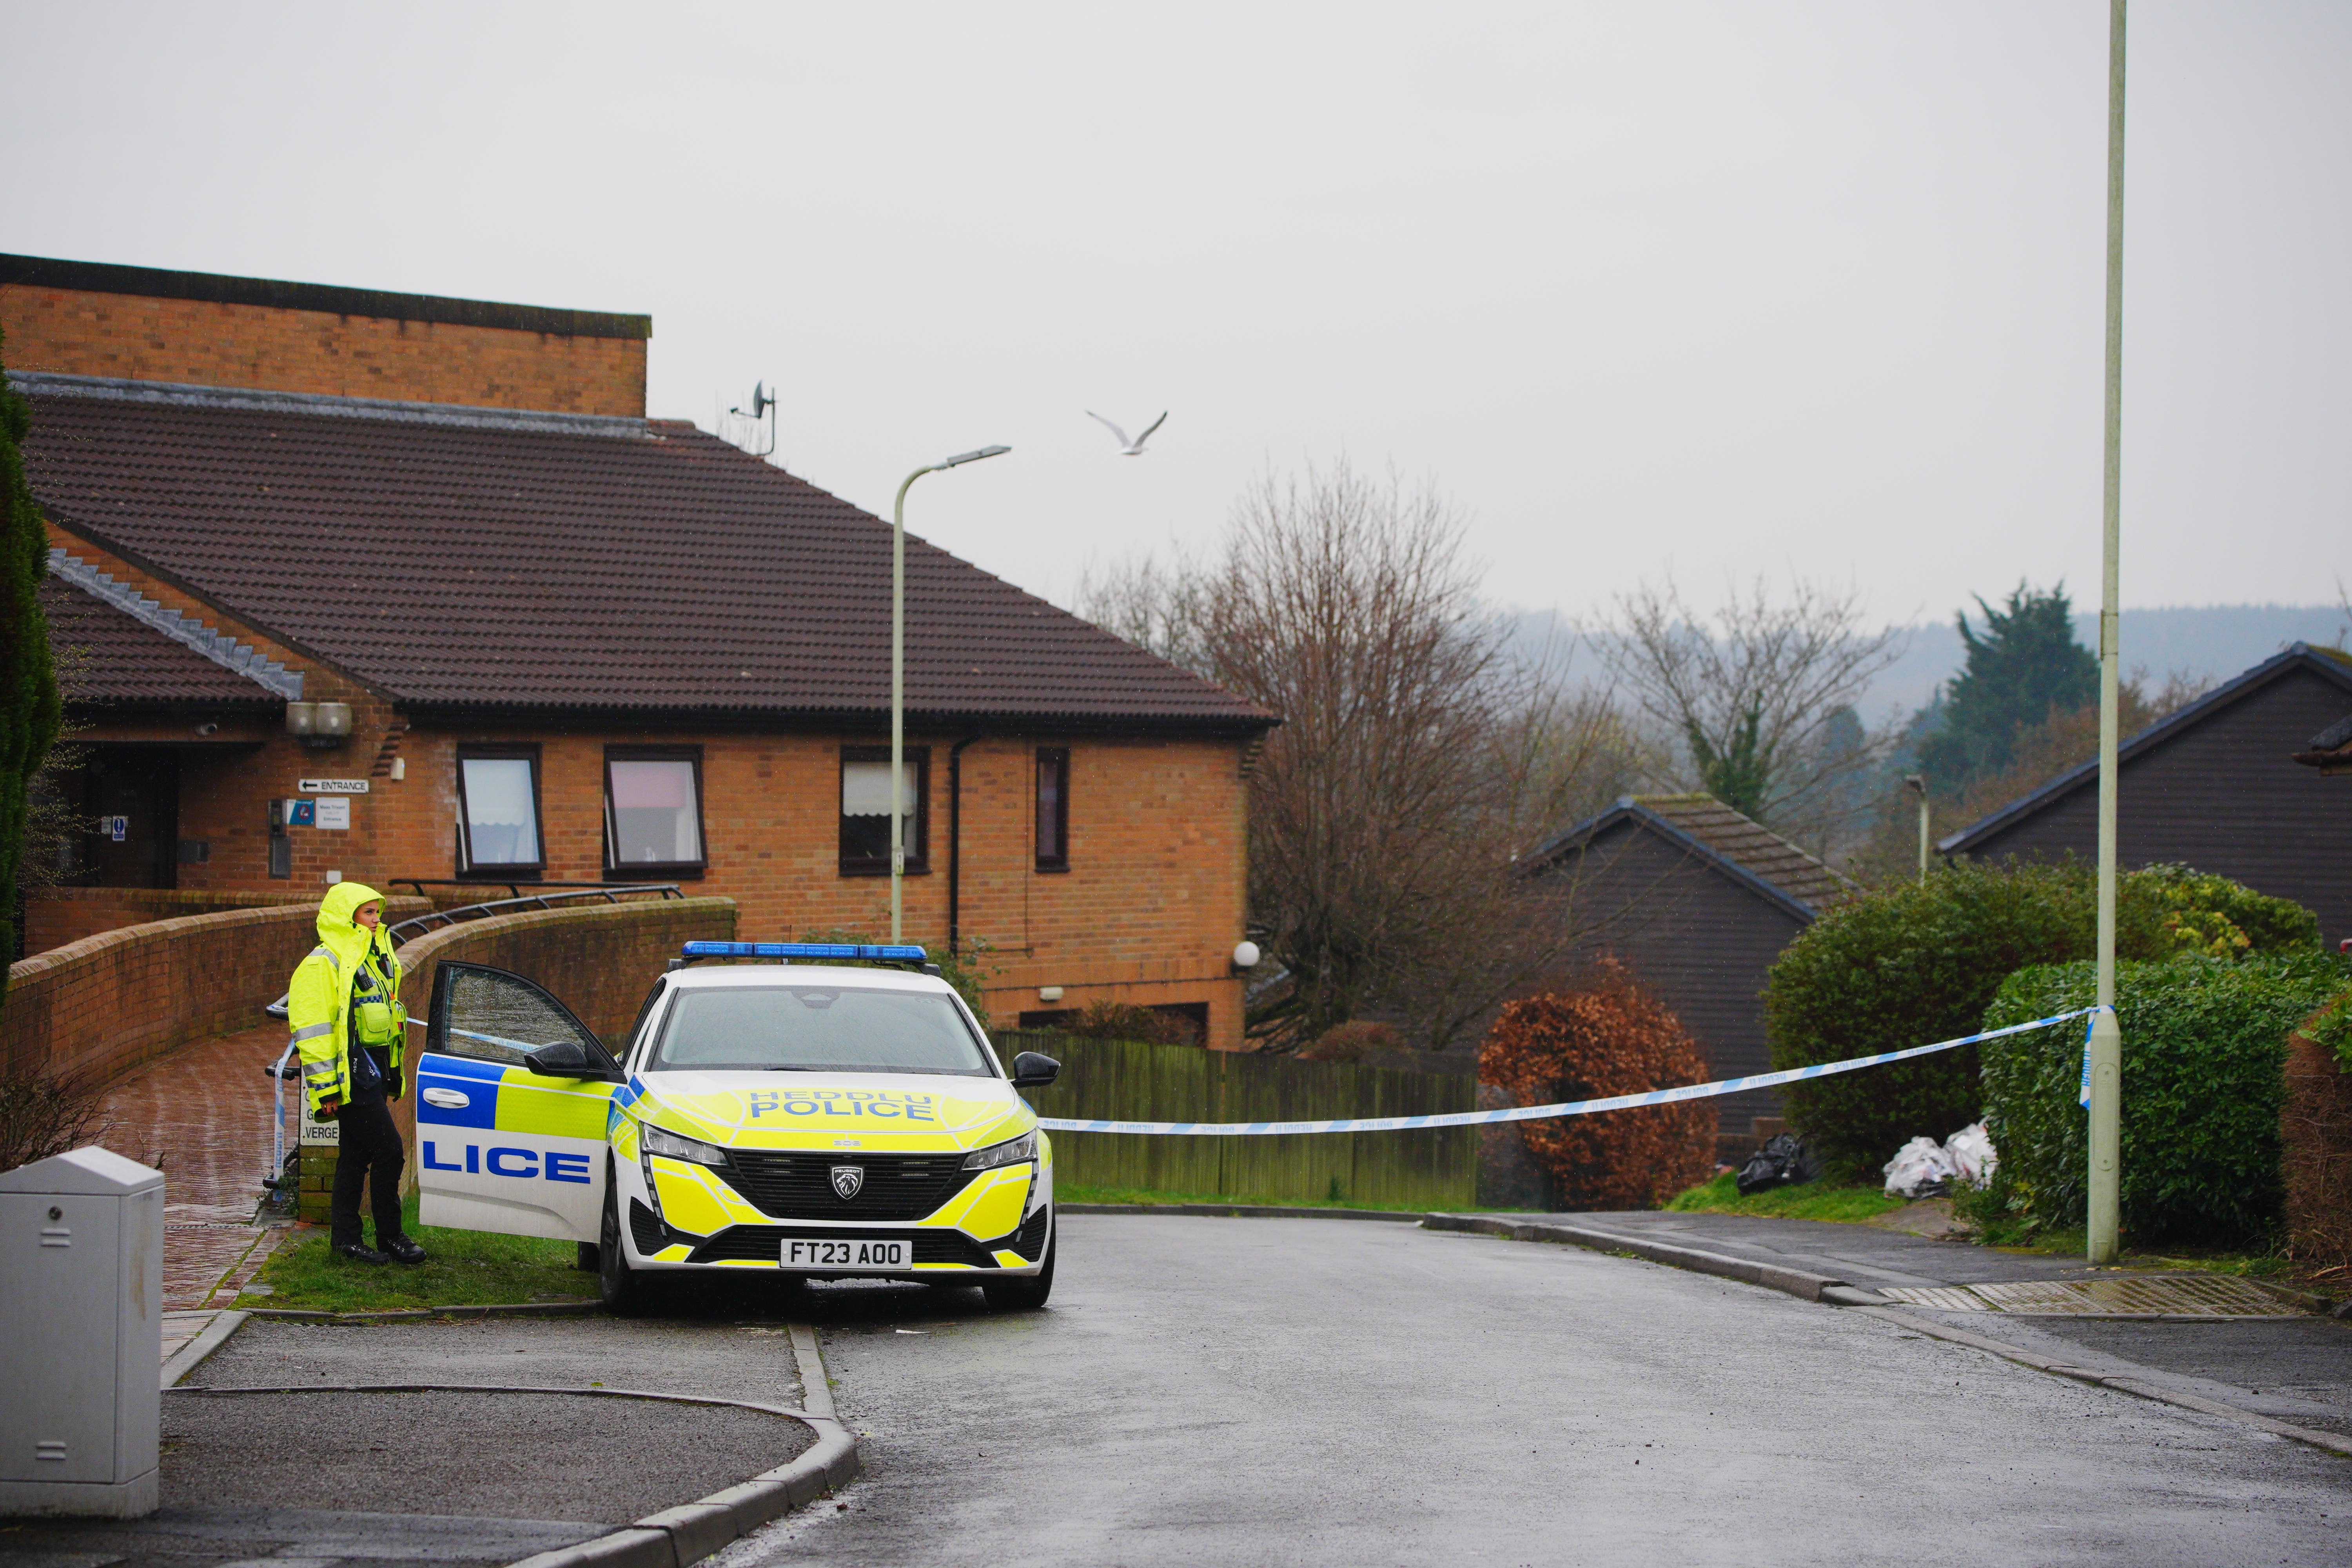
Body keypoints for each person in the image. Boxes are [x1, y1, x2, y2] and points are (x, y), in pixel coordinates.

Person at [289, 880, 427, 1265]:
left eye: (376, 912)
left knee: (355, 1156)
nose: (376, 920)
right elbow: (313, 1033)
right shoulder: (322, 963)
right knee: (390, 1150)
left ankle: (346, 1241)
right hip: (351, 1078)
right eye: (368, 913)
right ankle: (390, 1236)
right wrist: (326, 1089)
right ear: (346, 917)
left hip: (372, 1073)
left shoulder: (370, 958)